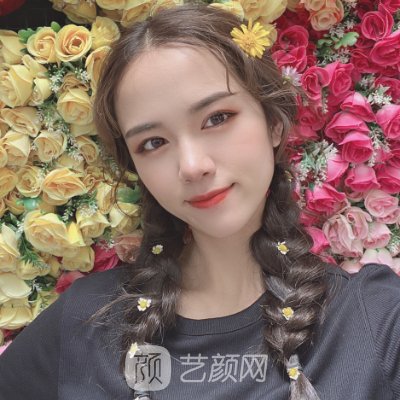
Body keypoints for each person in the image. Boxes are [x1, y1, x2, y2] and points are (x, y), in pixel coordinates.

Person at [0, 4, 399, 400]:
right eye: (153, 143)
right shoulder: (84, 323)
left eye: (217, 118)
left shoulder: (374, 319)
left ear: (273, 123)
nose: (192, 166)